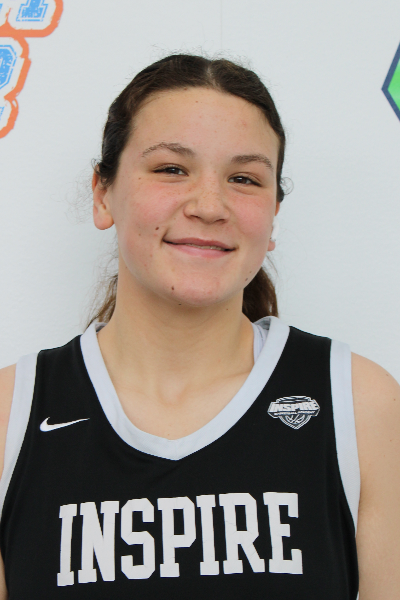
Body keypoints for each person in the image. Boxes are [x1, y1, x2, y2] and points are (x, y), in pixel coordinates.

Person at [0, 54, 398, 600]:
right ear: (102, 193)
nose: (210, 206)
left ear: (273, 216)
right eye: (171, 169)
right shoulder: (11, 415)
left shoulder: (359, 404)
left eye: (244, 178)